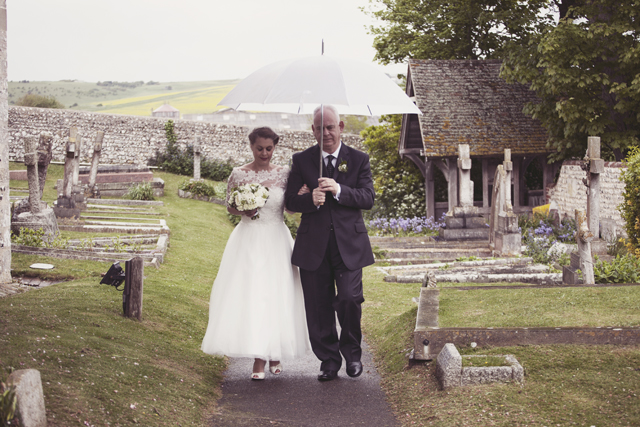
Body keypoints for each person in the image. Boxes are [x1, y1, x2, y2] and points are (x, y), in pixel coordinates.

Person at [201, 126, 311, 380]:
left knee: (277, 294)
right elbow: (229, 206)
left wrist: (303, 195)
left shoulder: (285, 173)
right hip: (248, 239)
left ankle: (274, 353)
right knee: (254, 294)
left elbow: (291, 209)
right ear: (251, 146)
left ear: (275, 147)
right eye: (259, 148)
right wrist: (244, 211)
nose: (264, 153)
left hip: (276, 238)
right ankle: (259, 359)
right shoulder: (239, 174)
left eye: (269, 148)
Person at [284, 105, 375, 381]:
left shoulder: (358, 159)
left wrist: (339, 189)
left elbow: (367, 198)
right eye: (320, 128)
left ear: (341, 127)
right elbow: (290, 201)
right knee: (317, 304)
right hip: (314, 245)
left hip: (349, 245)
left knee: (349, 298)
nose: (326, 133)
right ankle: (329, 360)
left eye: (331, 127)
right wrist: (310, 199)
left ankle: (353, 355)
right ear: (312, 130)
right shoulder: (301, 160)